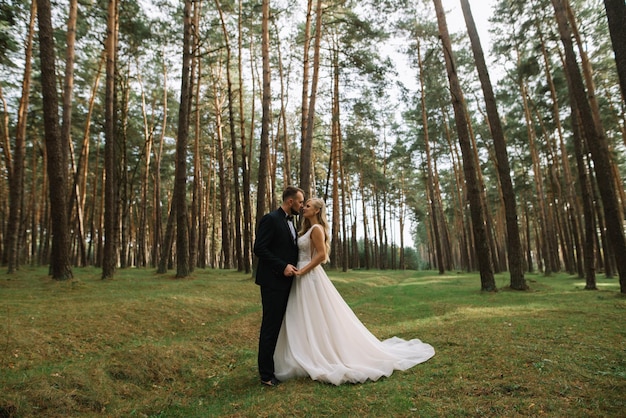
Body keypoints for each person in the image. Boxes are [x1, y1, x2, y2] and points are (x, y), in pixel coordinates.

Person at [274, 198, 435, 385]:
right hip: (300, 275)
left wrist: (303, 270)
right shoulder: (305, 229)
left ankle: (321, 352)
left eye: (308, 206)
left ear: (317, 211)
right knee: (301, 314)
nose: (304, 208)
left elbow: (321, 255)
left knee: (314, 314)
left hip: (308, 275)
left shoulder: (317, 229)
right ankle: (303, 352)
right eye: (304, 205)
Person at [254, 186, 305, 387]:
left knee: (281, 326)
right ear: (290, 201)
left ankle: (278, 365)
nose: (301, 206)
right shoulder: (271, 219)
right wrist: (281, 266)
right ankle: (266, 375)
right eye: (300, 202)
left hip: (287, 282)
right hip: (272, 282)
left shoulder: (291, 222)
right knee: (270, 326)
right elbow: (259, 248)